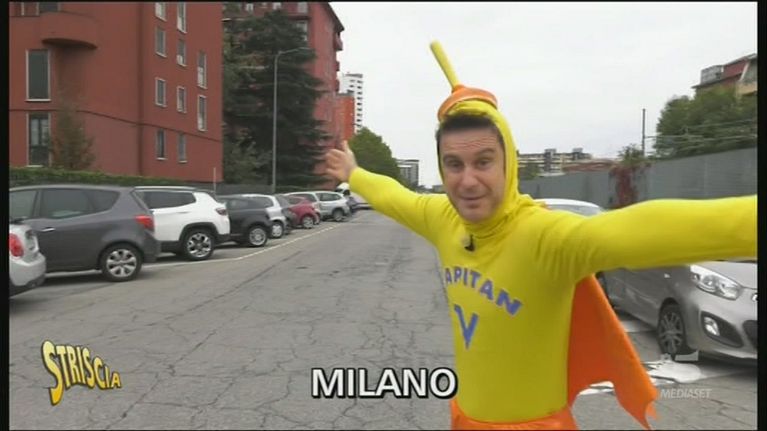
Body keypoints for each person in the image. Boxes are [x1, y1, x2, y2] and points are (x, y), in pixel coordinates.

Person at [324, 42, 757, 430]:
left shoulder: (546, 239)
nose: (468, 180)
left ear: (508, 163)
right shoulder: (444, 219)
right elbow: (395, 196)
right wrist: (355, 174)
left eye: (483, 162)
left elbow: (651, 228)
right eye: (454, 164)